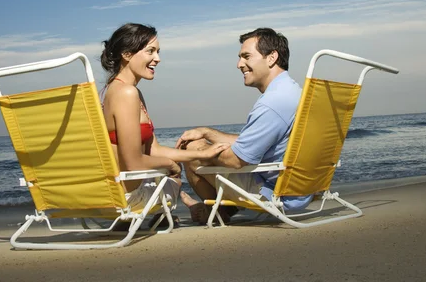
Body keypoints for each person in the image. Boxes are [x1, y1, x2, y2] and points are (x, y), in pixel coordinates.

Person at [176, 27, 313, 224]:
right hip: (303, 190)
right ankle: (219, 208)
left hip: (279, 194)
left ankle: (216, 212)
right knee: (201, 143)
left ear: (271, 57)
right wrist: (207, 133)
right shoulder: (293, 92)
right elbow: (255, 142)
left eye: (246, 56)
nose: (239, 64)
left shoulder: (272, 103)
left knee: (192, 149)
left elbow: (236, 161)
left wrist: (197, 150)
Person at [100, 23, 228, 224]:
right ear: (126, 54)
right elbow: (133, 163)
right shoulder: (126, 93)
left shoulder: (119, 90)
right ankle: (152, 217)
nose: (157, 59)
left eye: (158, 52)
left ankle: (153, 219)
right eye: (150, 51)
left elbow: (154, 149)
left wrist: (200, 154)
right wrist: (171, 165)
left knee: (172, 168)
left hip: (113, 193)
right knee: (174, 178)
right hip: (127, 199)